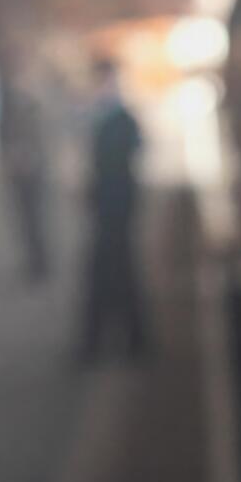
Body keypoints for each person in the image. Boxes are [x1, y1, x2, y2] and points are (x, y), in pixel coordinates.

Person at [77, 58, 150, 362]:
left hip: (116, 206)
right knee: (117, 272)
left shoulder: (120, 120)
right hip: (110, 205)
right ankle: (130, 341)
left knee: (109, 273)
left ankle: (104, 343)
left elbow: (129, 156)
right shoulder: (105, 117)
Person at [0, 64, 52, 284]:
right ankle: (33, 261)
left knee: (36, 217)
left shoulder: (35, 105)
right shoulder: (10, 103)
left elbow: (41, 136)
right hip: (20, 168)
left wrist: (29, 156)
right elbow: (5, 133)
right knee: (24, 217)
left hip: (33, 168)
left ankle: (40, 262)